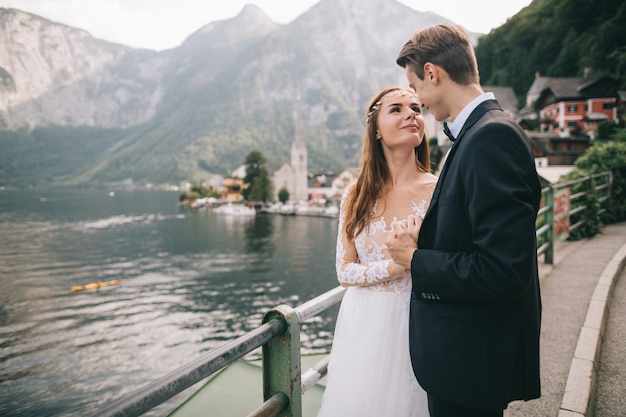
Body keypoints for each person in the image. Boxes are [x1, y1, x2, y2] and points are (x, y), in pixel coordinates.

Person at [386, 23, 542, 417]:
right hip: (469, 355)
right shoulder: (480, 133)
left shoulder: (490, 138)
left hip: (470, 360)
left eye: (416, 86)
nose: (418, 99)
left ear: (433, 74)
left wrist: (414, 258)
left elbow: (503, 270)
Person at [317, 86, 437, 417]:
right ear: (377, 130)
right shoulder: (355, 194)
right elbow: (345, 271)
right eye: (396, 109)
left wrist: (415, 261)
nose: (412, 113)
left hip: (419, 322)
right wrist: (399, 265)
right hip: (364, 328)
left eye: (416, 107)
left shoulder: (439, 190)